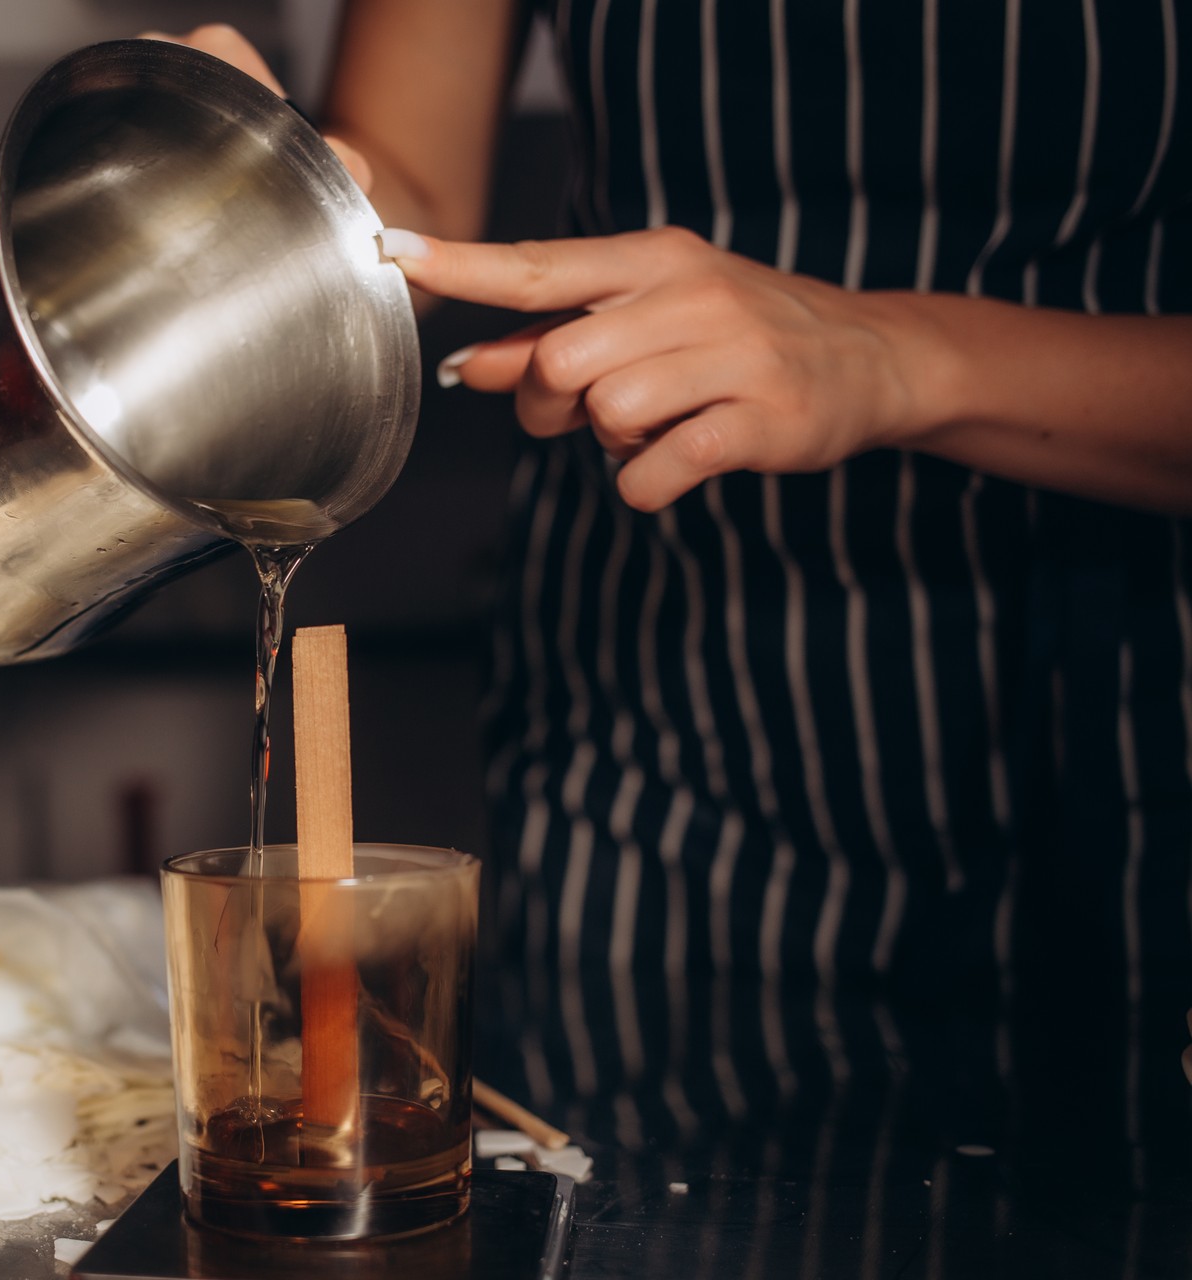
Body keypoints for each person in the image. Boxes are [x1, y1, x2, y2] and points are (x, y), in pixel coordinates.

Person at [152, 2, 1191, 1158]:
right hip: (661, 764)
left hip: (1140, 746)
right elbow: (414, 187)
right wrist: (314, 199)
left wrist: (903, 356)